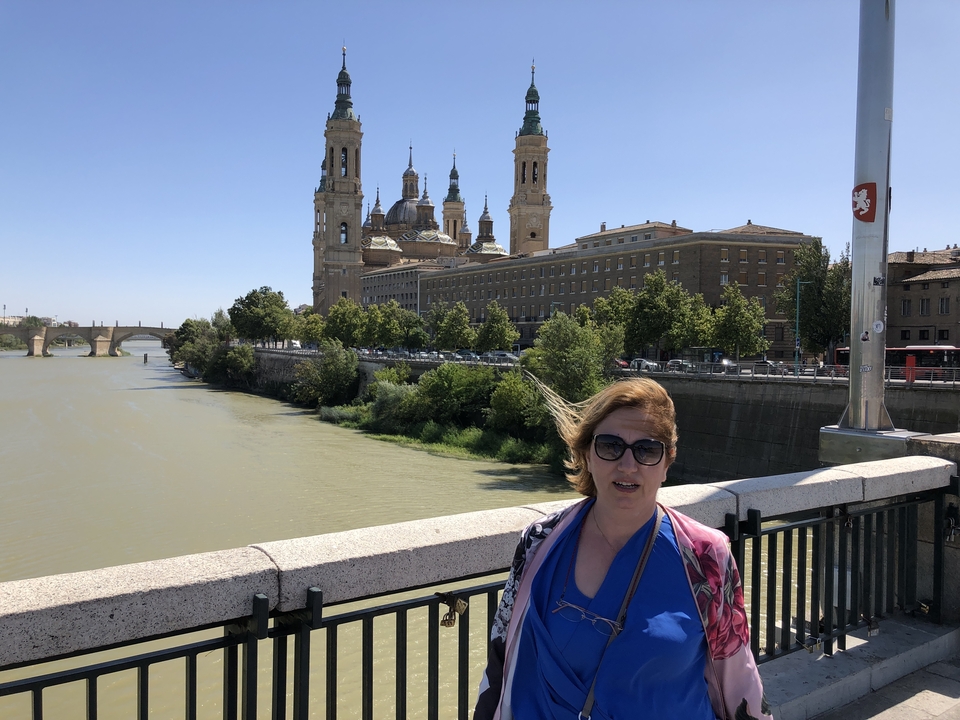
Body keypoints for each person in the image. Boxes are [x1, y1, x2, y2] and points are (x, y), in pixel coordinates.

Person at [474, 377, 771, 720]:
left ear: (667, 464)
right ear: (587, 455)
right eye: (610, 446)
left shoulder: (706, 556)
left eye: (647, 450)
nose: (628, 465)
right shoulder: (539, 541)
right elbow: (500, 659)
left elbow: (740, 680)